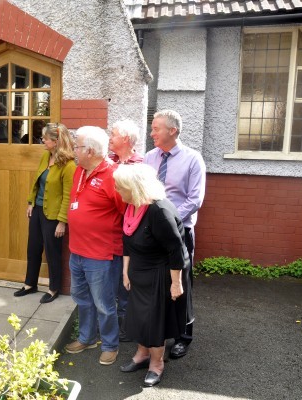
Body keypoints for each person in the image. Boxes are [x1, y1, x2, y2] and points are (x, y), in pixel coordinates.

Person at [114, 163, 189, 387]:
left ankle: (156, 364)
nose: (117, 190)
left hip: (159, 275)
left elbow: (176, 250)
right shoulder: (132, 206)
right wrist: (126, 271)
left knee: (154, 322)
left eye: (120, 186)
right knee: (138, 318)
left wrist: (176, 284)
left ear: (134, 187)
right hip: (139, 274)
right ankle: (142, 354)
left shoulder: (159, 211)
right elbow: (127, 240)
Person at [144, 109, 206, 359]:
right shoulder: (149, 157)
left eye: (156, 128)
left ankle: (183, 336)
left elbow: (195, 199)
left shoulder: (193, 159)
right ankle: (160, 331)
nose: (151, 133)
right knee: (159, 283)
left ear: (173, 130)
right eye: (151, 128)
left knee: (181, 284)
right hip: (152, 233)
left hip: (180, 232)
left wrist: (168, 220)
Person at [64, 126, 126, 366]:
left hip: (101, 254)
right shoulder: (79, 170)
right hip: (77, 250)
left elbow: (126, 213)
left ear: (89, 150)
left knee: (104, 303)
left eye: (77, 146)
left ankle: (110, 344)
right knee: (81, 298)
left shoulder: (113, 175)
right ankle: (87, 337)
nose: (74, 151)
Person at [14, 123, 76, 303]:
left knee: (52, 252)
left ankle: (54, 288)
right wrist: (30, 202)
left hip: (54, 215)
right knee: (33, 248)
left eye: (45, 139)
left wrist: (62, 221)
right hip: (38, 210)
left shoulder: (69, 165)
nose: (42, 141)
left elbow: (68, 196)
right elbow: (37, 181)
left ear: (56, 142)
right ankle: (30, 284)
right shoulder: (45, 156)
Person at [108, 119, 144, 342]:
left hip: (131, 230)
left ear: (126, 139)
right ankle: (118, 322)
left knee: (127, 278)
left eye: (113, 134)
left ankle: (127, 325)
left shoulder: (139, 164)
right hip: (111, 232)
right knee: (116, 277)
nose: (109, 138)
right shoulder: (110, 161)